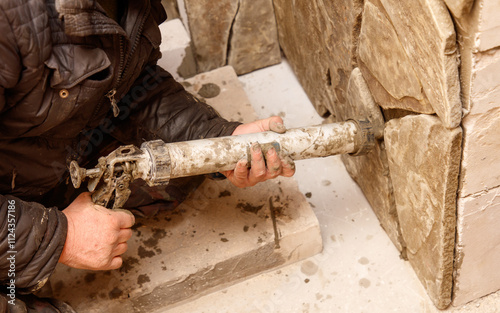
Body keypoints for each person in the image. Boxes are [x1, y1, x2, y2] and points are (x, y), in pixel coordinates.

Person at [0, 0, 295, 312]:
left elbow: (133, 84)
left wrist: (220, 141)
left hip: (47, 158)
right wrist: (59, 236)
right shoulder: (10, 21)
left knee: (172, 178)